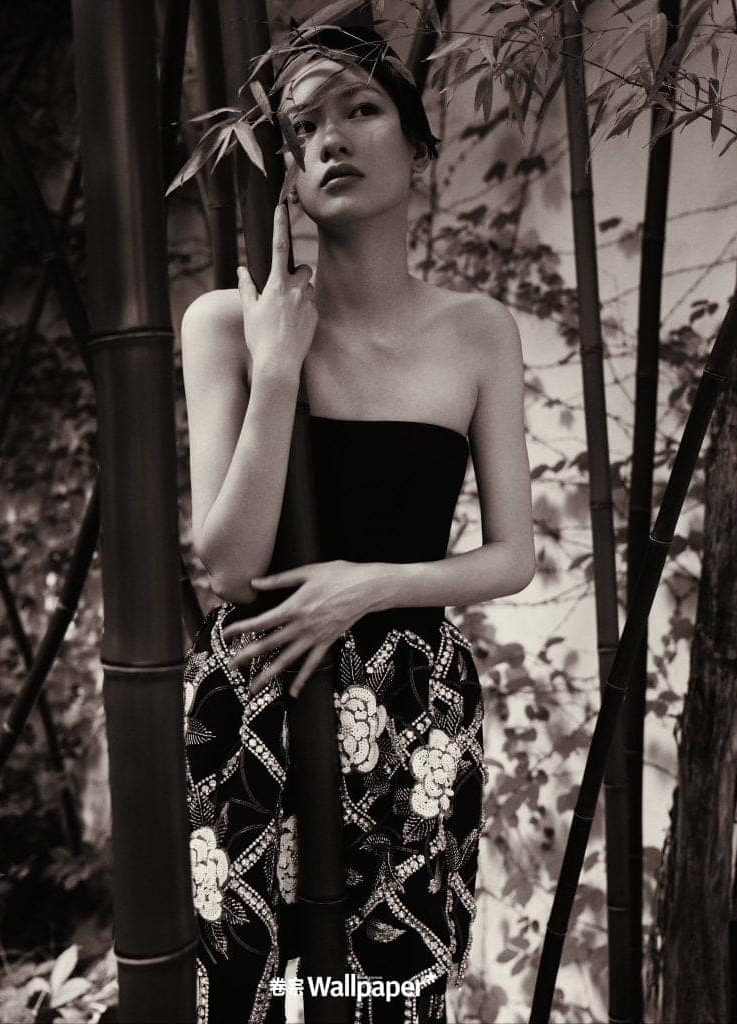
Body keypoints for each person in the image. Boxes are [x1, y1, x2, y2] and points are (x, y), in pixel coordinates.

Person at [181, 23, 535, 1024]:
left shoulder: (477, 330)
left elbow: (512, 555)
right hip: (259, 694)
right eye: (302, 128)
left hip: (416, 705)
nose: (328, 138)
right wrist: (278, 369)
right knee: (247, 997)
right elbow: (229, 564)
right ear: (288, 174)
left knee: (391, 999)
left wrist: (368, 584)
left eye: (362, 110)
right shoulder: (228, 323)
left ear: (419, 153)